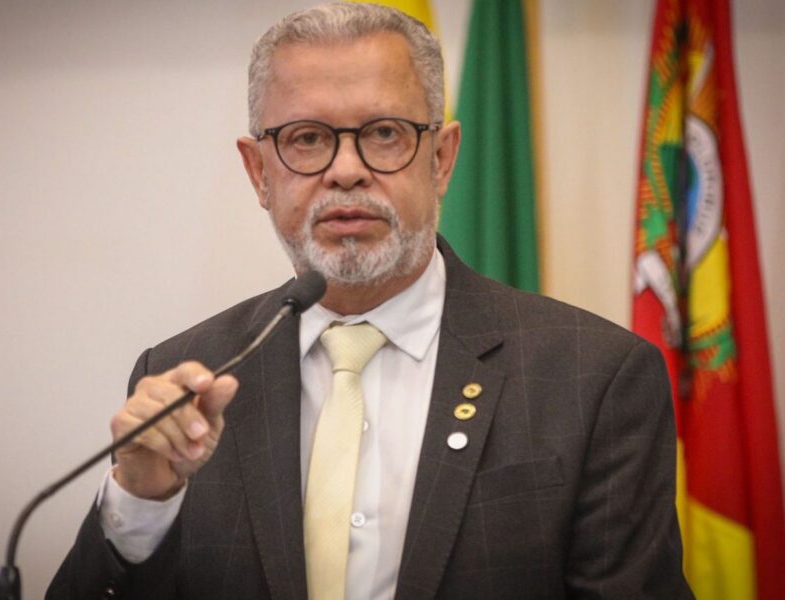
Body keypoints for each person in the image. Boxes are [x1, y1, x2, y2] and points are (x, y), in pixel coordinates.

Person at [48, 3, 691, 599]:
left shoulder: (592, 378)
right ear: (259, 173)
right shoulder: (188, 376)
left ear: (442, 159)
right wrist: (139, 502)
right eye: (306, 138)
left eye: (384, 133)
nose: (346, 170)